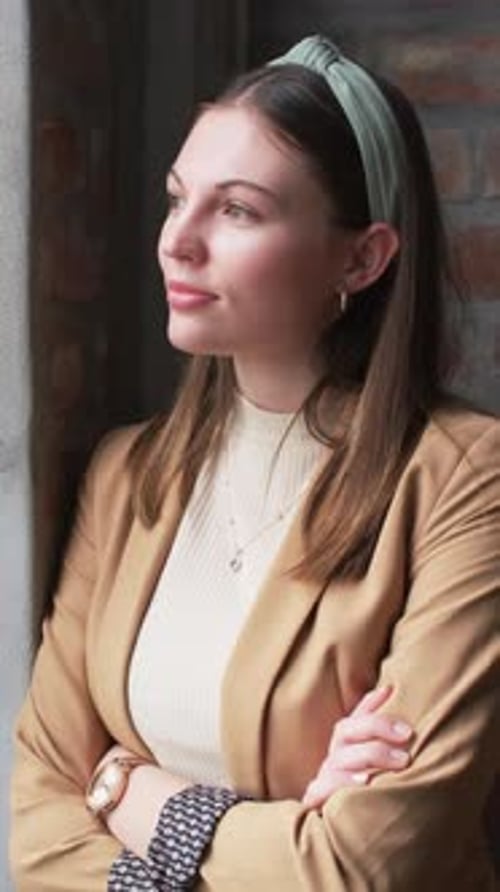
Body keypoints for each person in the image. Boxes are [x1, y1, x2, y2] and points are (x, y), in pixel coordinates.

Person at [10, 33, 500, 891]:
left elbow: (358, 865)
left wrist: (122, 784)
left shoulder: (465, 480)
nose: (178, 242)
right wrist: (276, 826)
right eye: (176, 199)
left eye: (236, 210)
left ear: (362, 257)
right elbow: (37, 815)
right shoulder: (128, 476)